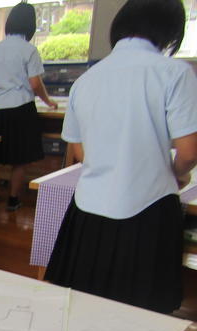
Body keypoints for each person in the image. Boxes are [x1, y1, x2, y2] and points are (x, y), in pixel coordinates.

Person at [46, 0, 197, 313]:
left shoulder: (86, 80)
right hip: (149, 210)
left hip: (87, 212)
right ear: (170, 32)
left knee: (84, 305)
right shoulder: (175, 73)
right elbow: (189, 152)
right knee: (143, 314)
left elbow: (79, 151)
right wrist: (175, 172)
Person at [0, 2, 57, 211]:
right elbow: (35, 83)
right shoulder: (29, 50)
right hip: (21, 109)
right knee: (20, 159)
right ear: (30, 25)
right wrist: (48, 101)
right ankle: (13, 199)